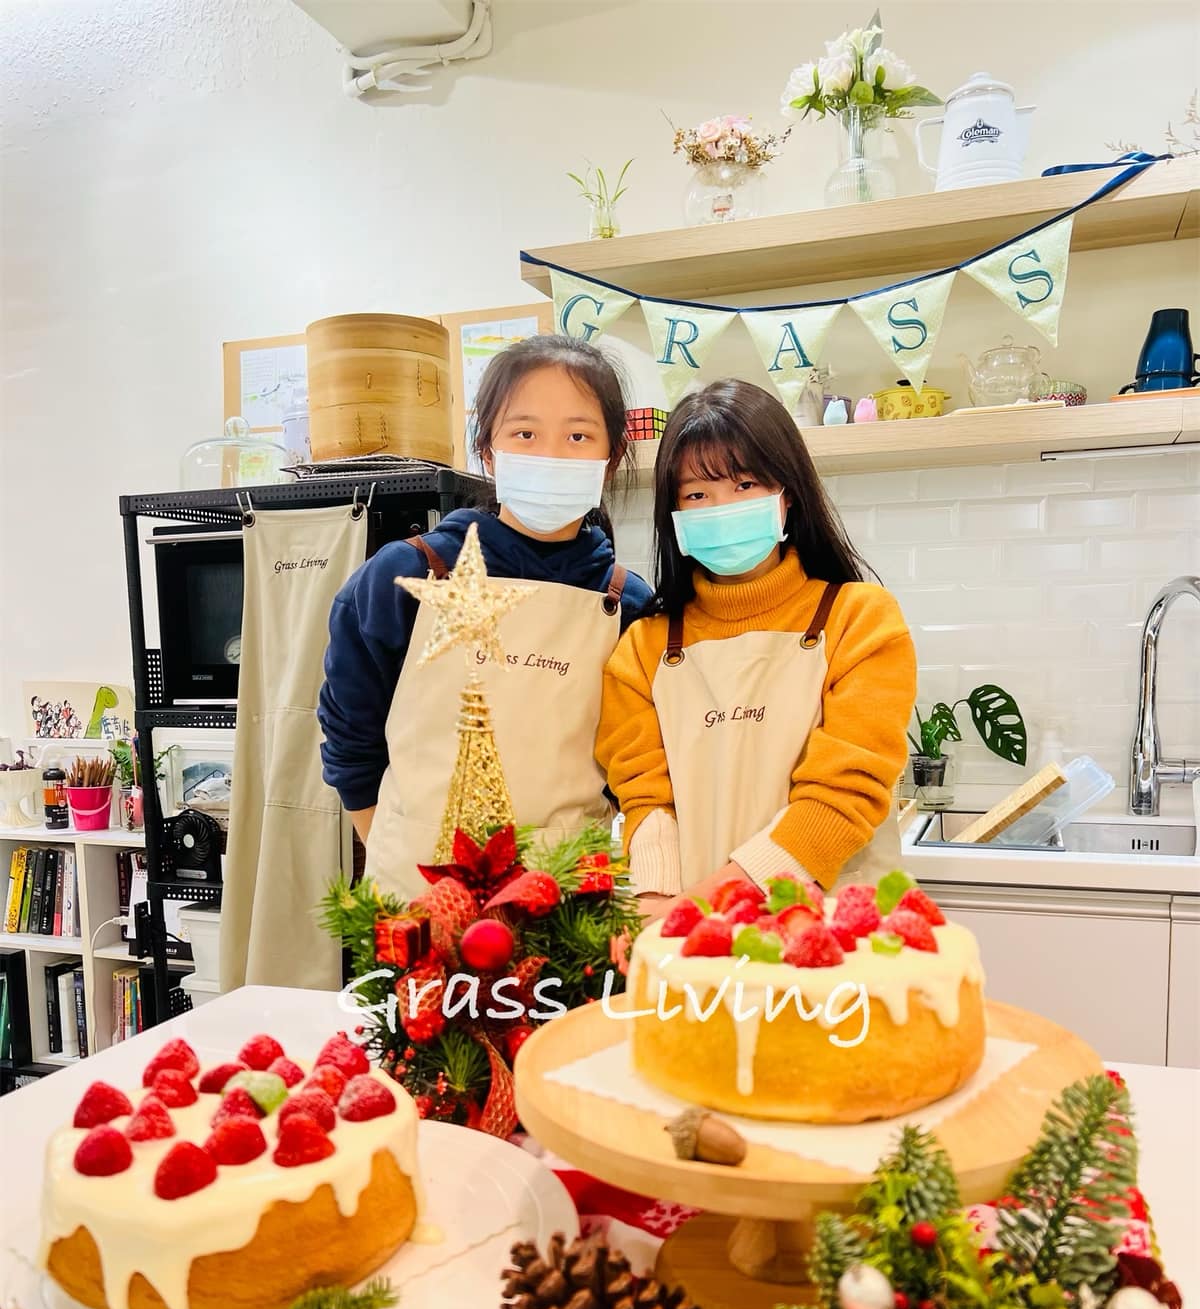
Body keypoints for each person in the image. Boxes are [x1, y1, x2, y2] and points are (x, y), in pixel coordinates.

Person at [318, 334, 651, 900]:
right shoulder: (404, 576)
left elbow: (637, 770)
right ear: (488, 451)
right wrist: (402, 852)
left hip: (568, 903)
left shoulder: (628, 604)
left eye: (577, 436)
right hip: (419, 899)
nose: (551, 455)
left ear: (611, 457)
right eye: (525, 434)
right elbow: (351, 742)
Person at [596, 378, 916, 921]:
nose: (721, 507)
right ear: (674, 515)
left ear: (787, 494)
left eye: (744, 485)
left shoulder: (860, 620)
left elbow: (842, 797)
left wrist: (701, 906)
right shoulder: (644, 647)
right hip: (697, 938)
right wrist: (655, 911)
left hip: (833, 934)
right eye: (697, 495)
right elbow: (646, 800)